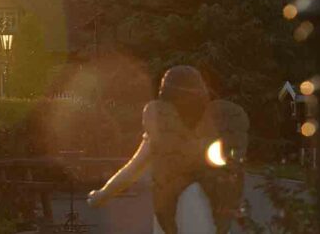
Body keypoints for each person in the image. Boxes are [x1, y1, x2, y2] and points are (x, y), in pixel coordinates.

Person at [87, 66, 248, 234]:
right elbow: (233, 171)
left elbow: (134, 167)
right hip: (209, 209)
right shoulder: (219, 127)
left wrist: (103, 194)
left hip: (172, 209)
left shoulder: (163, 127)